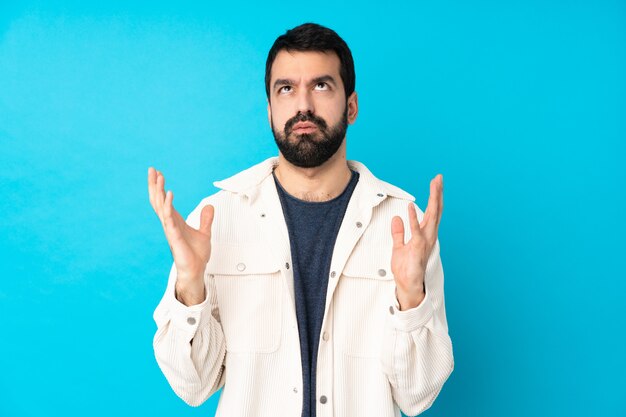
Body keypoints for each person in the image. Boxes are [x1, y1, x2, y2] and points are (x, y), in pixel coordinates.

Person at [148, 22, 453, 417]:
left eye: (322, 86)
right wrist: (190, 285)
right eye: (286, 89)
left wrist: (411, 296)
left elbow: (417, 396)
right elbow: (194, 385)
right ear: (270, 110)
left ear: (352, 106)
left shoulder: (404, 226)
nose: (303, 105)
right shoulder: (216, 219)